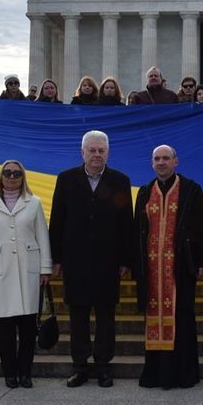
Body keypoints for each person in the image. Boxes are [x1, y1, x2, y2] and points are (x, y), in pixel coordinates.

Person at [49, 130, 134, 388]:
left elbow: (126, 222)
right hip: (75, 260)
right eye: (92, 150)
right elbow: (57, 221)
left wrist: (125, 259)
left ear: (107, 152)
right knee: (78, 316)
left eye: (101, 150)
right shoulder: (66, 179)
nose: (97, 155)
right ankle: (79, 367)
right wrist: (56, 258)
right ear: (82, 152)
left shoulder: (120, 180)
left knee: (106, 316)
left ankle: (104, 367)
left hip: (108, 261)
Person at [133, 145, 203, 389]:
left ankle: (183, 374)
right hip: (152, 269)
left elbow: (199, 227)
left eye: (166, 158)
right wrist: (136, 264)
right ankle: (155, 374)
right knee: (153, 316)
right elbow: (137, 231)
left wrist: (202, 262)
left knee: (183, 317)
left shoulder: (191, 189)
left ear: (176, 161)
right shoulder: (144, 192)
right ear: (152, 163)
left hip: (180, 266)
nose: (162, 162)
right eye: (157, 159)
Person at [0, 160, 52, 389]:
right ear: (0, 176)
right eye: (7, 173)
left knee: (28, 326)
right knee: (6, 326)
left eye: (16, 174)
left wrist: (45, 268)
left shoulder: (34, 203)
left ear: (23, 177)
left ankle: (25, 372)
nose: (12, 177)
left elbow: (42, 236)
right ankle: (9, 372)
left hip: (28, 269)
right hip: (1, 270)